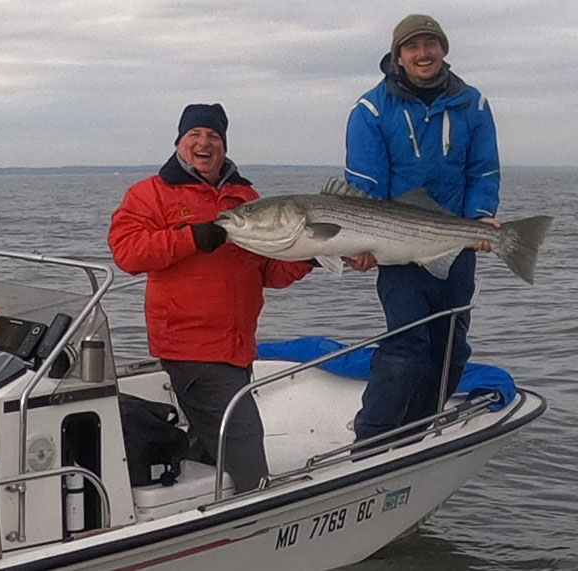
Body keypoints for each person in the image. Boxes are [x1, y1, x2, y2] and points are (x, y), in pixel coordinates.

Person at [107, 103, 312, 493]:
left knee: (210, 443)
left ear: (224, 144)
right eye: (195, 135)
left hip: (236, 346)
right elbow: (127, 252)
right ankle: (259, 519)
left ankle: (194, 513)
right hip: (190, 346)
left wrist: (310, 257)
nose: (205, 142)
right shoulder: (150, 194)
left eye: (214, 136)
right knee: (245, 445)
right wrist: (191, 238)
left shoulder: (244, 197)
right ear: (179, 142)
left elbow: (268, 270)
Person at [344, 15, 501, 444]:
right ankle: (372, 441)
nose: (423, 53)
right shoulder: (372, 110)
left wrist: (482, 215)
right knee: (407, 346)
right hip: (396, 247)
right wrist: (356, 243)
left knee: (451, 349)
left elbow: (483, 169)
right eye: (412, 46)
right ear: (398, 56)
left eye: (431, 43)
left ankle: (416, 432)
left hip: (454, 243)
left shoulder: (473, 104)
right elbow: (364, 190)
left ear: (444, 50)